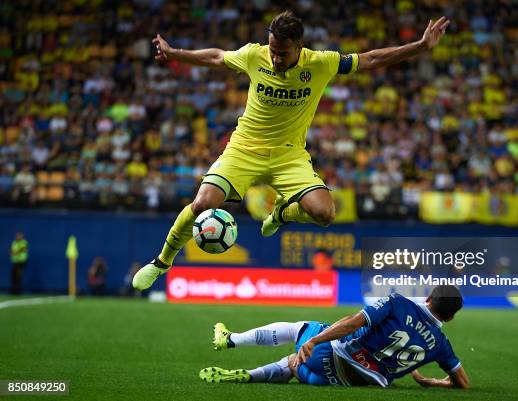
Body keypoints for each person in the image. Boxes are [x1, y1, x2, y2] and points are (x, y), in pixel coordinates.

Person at [132, 11, 451, 290]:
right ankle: (162, 262)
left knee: (325, 214)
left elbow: (371, 59)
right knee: (202, 203)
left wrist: (421, 47)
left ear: (300, 47)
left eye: (282, 53)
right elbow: (217, 57)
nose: (275, 58)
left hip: (289, 155)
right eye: (273, 50)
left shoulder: (322, 62)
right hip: (244, 148)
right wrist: (175, 53)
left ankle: (282, 212)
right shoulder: (255, 55)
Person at [200, 285, 469, 389]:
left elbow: (352, 323)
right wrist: (433, 381)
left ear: (429, 298)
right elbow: (462, 383)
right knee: (295, 360)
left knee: (300, 330)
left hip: (330, 357)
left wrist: (315, 340)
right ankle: (251, 375)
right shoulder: (442, 346)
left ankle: (231, 339)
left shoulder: (399, 303)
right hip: (341, 383)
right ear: (451, 317)